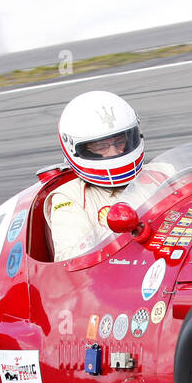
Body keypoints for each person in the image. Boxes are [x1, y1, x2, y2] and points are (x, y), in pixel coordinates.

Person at [47, 90, 150, 261]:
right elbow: (72, 261)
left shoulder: (162, 171)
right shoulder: (69, 198)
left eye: (120, 141)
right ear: (76, 148)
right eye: (101, 146)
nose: (114, 152)